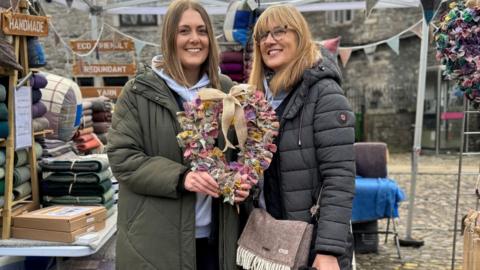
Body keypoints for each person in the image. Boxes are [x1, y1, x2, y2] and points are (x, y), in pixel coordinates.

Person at [107, 1, 250, 269]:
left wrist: (244, 184)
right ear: (169, 38)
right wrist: (182, 177)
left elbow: (242, 154)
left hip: (217, 239)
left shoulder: (228, 92)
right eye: (184, 31)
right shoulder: (138, 92)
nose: (194, 39)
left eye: (202, 30)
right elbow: (122, 157)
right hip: (156, 243)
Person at [248, 5, 356, 270]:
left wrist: (328, 249)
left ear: (299, 36)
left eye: (279, 31)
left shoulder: (324, 94)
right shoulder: (257, 99)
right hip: (268, 242)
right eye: (262, 35)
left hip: (311, 249)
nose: (269, 41)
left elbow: (339, 177)